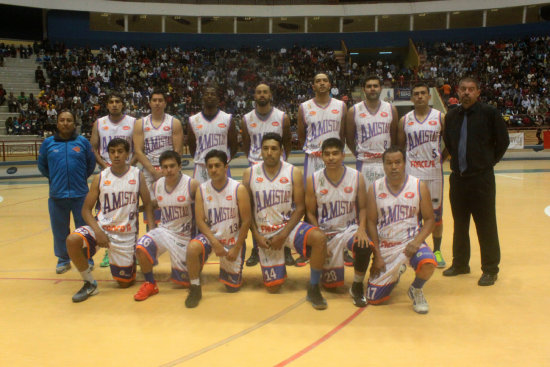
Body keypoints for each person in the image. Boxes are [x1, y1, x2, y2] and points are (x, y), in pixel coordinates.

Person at [243, 133, 328, 309]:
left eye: (274, 148)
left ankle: (314, 287)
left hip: (289, 228)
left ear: (281, 151)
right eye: (265, 148)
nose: (269, 152)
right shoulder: (249, 173)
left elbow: (300, 208)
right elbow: (247, 211)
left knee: (319, 238)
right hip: (265, 233)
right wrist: (256, 237)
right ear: (260, 152)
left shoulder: (293, 172)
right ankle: (280, 266)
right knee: (273, 289)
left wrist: (283, 235)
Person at [65, 138, 155, 302]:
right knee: (72, 240)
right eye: (112, 152)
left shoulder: (137, 174)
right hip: (102, 229)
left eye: (120, 151)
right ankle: (89, 283)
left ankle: (129, 259)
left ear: (127, 154)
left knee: (124, 284)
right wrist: (98, 232)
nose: (116, 155)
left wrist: (151, 231)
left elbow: (148, 204)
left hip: (126, 235)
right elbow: (85, 210)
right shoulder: (100, 177)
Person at [442, 77, 509, 286]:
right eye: (463, 89)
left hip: (482, 179)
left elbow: (503, 141)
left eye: (471, 89)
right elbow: (449, 143)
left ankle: (490, 269)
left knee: (486, 224)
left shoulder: (489, 113)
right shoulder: (451, 116)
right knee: (460, 224)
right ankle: (460, 263)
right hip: (458, 179)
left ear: (478, 92)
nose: (467, 93)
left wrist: (488, 162)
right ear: (457, 91)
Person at [365, 146, 437, 314]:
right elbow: (370, 223)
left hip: (410, 243)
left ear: (404, 163)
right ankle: (396, 271)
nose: (394, 167)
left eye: (398, 162)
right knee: (374, 299)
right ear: (383, 165)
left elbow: (429, 220)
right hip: (387, 245)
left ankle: (416, 290)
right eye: (389, 163)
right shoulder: (375, 188)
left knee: (428, 263)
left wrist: (417, 242)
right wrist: (377, 255)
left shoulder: (419, 186)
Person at [305, 138, 372, 307]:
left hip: (348, 229)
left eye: (335, 153)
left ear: (343, 155)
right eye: (327, 154)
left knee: (364, 244)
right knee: (331, 286)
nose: (331, 158)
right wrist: (318, 233)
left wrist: (362, 229)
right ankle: (314, 286)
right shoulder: (313, 179)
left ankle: (357, 286)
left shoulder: (357, 177)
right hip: (325, 232)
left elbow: (363, 208)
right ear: (321, 156)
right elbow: (310, 213)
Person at [185, 149, 251, 308]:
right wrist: (215, 243)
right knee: (193, 248)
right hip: (211, 237)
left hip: (231, 239)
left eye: (217, 165)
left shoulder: (238, 188)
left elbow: (246, 221)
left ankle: (231, 269)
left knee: (231, 288)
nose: (213, 170)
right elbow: (200, 220)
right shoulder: (202, 189)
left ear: (226, 167)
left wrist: (237, 247)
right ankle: (195, 286)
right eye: (210, 166)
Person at [133, 150, 199, 301]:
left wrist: (198, 238)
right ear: (160, 169)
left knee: (183, 282)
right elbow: (150, 205)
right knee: (141, 246)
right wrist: (151, 227)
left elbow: (202, 210)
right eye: (165, 167)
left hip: (184, 236)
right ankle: (150, 283)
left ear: (179, 166)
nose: (169, 170)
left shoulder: (192, 184)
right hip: (165, 231)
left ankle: (194, 262)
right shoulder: (157, 185)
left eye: (172, 166)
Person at [241, 83, 294, 267]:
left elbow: (287, 141)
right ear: (254, 95)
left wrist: (280, 158)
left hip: (278, 167)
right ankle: (256, 249)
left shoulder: (282, 117)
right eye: (258, 92)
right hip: (256, 167)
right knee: (255, 210)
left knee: (284, 207)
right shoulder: (246, 118)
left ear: (270, 95)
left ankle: (286, 249)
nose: (262, 94)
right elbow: (246, 144)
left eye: (265, 92)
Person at [38, 110, 96, 274]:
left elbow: (90, 165)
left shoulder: (83, 142)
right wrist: (56, 178)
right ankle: (63, 259)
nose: (65, 123)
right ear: (57, 123)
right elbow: (42, 166)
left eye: (69, 120)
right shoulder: (48, 143)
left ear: (74, 123)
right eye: (62, 120)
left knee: (84, 229)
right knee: (59, 230)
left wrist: (79, 178)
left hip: (80, 196)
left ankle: (87, 258)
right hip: (57, 196)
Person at [397, 83, 447, 267]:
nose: (419, 96)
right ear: (411, 98)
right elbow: (400, 146)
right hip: (413, 173)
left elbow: (448, 142)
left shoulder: (440, 118)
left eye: (423, 93)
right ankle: (417, 247)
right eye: (416, 94)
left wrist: (442, 159)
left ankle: (437, 250)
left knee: (436, 216)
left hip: (434, 173)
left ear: (429, 96)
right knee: (412, 214)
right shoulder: (405, 120)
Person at [90, 92, 136, 267]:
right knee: (107, 213)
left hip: (128, 172)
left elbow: (138, 147)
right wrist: (105, 165)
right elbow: (93, 147)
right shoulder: (99, 123)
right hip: (107, 173)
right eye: (111, 101)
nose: (115, 104)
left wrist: (128, 166)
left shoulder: (132, 122)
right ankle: (110, 251)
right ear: (107, 105)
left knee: (129, 210)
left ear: (122, 104)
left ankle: (133, 249)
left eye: (118, 101)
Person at [133, 90, 183, 226]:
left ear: (165, 103)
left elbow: (177, 151)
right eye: (154, 100)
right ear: (150, 103)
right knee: (151, 209)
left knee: (172, 207)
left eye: (160, 100)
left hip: (169, 170)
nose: (157, 103)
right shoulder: (140, 123)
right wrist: (154, 172)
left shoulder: (174, 122)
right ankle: (152, 241)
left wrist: (167, 169)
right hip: (149, 172)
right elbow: (138, 151)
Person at [345, 75, 398, 189]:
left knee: (386, 200)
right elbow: (349, 140)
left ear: (381, 88)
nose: (372, 89)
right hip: (364, 163)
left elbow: (394, 138)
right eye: (369, 86)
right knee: (365, 200)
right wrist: (359, 153)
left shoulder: (391, 109)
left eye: (375, 86)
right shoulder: (353, 111)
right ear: (364, 89)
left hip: (385, 162)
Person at [298, 73, 346, 180]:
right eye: (318, 81)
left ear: (329, 85)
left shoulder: (341, 105)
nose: (322, 83)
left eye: (325, 80)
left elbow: (342, 134)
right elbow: (301, 135)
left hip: (333, 156)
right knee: (312, 192)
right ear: (313, 86)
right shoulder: (304, 107)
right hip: (314, 157)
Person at [187, 85, 238, 183]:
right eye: (207, 94)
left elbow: (234, 146)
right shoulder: (193, 120)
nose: (209, 96)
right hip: (201, 167)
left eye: (212, 94)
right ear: (203, 98)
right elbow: (192, 147)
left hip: (221, 166)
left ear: (218, 99)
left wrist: (224, 161)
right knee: (200, 197)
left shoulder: (227, 118)